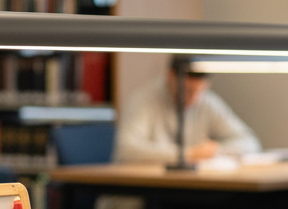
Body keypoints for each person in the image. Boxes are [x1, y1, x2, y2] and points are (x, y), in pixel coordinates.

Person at [112, 56, 261, 164]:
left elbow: (250, 142)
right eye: (188, 91)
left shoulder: (207, 101)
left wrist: (217, 149)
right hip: (139, 195)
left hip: (188, 192)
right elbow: (127, 150)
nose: (194, 99)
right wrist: (189, 154)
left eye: (200, 91)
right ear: (170, 76)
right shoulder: (143, 100)